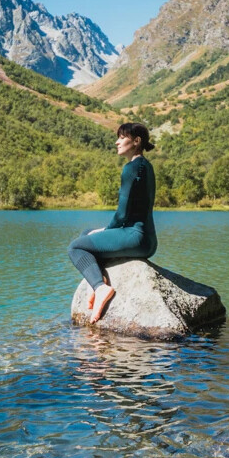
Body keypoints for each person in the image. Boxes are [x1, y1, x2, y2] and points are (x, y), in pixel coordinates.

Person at [68, 122, 158, 324]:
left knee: (75, 247)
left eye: (122, 137)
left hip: (135, 237)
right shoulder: (146, 166)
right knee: (86, 232)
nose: (117, 142)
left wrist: (106, 230)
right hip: (148, 239)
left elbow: (122, 213)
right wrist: (100, 231)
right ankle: (99, 279)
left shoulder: (132, 168)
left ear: (136, 141)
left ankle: (101, 287)